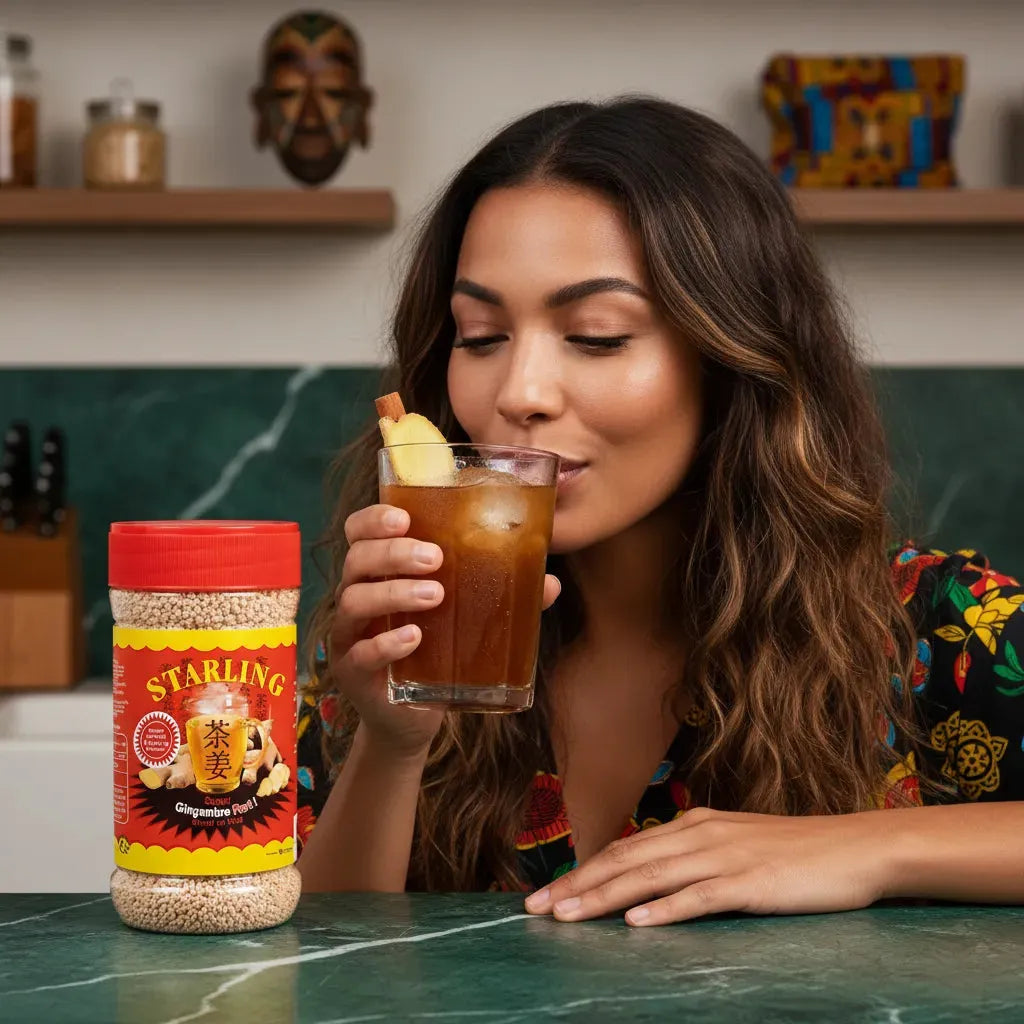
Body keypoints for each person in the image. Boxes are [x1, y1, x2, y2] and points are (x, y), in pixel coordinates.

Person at [295, 97, 1024, 926]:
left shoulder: (946, 630)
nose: (517, 394)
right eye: (481, 335)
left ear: (731, 357)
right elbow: (317, 969)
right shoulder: (402, 638)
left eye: (598, 335)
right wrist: (390, 751)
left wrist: (869, 848)